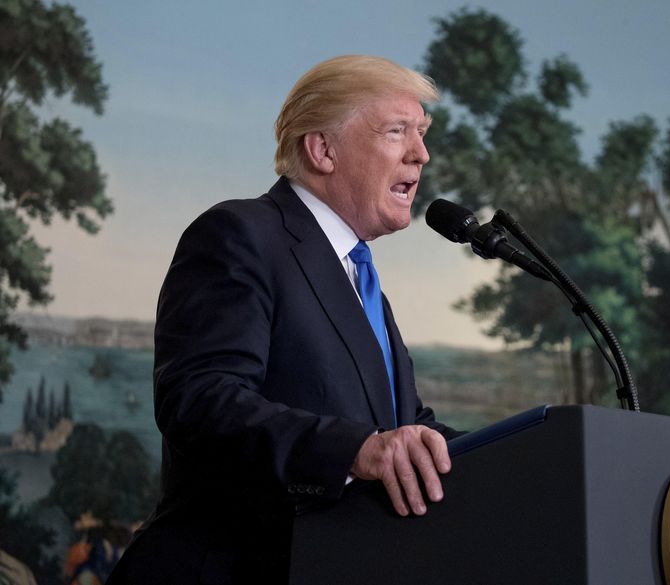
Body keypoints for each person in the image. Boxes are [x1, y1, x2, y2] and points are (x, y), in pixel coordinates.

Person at [106, 55, 460, 585]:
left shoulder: (359, 278)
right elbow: (199, 401)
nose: (421, 154)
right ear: (322, 150)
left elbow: (401, 428)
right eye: (397, 131)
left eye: (422, 133)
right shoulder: (240, 234)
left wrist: (531, 457)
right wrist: (356, 451)